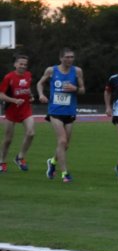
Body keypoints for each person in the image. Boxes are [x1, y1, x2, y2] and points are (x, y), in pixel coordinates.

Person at [36, 48, 85, 184]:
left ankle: (52, 162)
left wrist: (75, 89)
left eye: (72, 57)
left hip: (69, 112)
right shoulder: (51, 70)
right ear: (61, 58)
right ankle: (65, 174)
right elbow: (39, 83)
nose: (70, 59)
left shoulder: (77, 71)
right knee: (62, 141)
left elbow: (82, 90)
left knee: (65, 145)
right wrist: (41, 94)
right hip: (55, 111)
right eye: (67, 57)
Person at [0, 53, 35, 173]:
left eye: (25, 64)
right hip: (11, 110)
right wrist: (14, 100)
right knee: (8, 139)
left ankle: (19, 158)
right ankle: (2, 161)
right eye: (21, 64)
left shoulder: (28, 75)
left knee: (31, 133)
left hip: (25, 109)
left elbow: (27, 89)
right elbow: (1, 95)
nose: (23, 66)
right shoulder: (8, 77)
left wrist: (30, 96)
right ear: (15, 64)